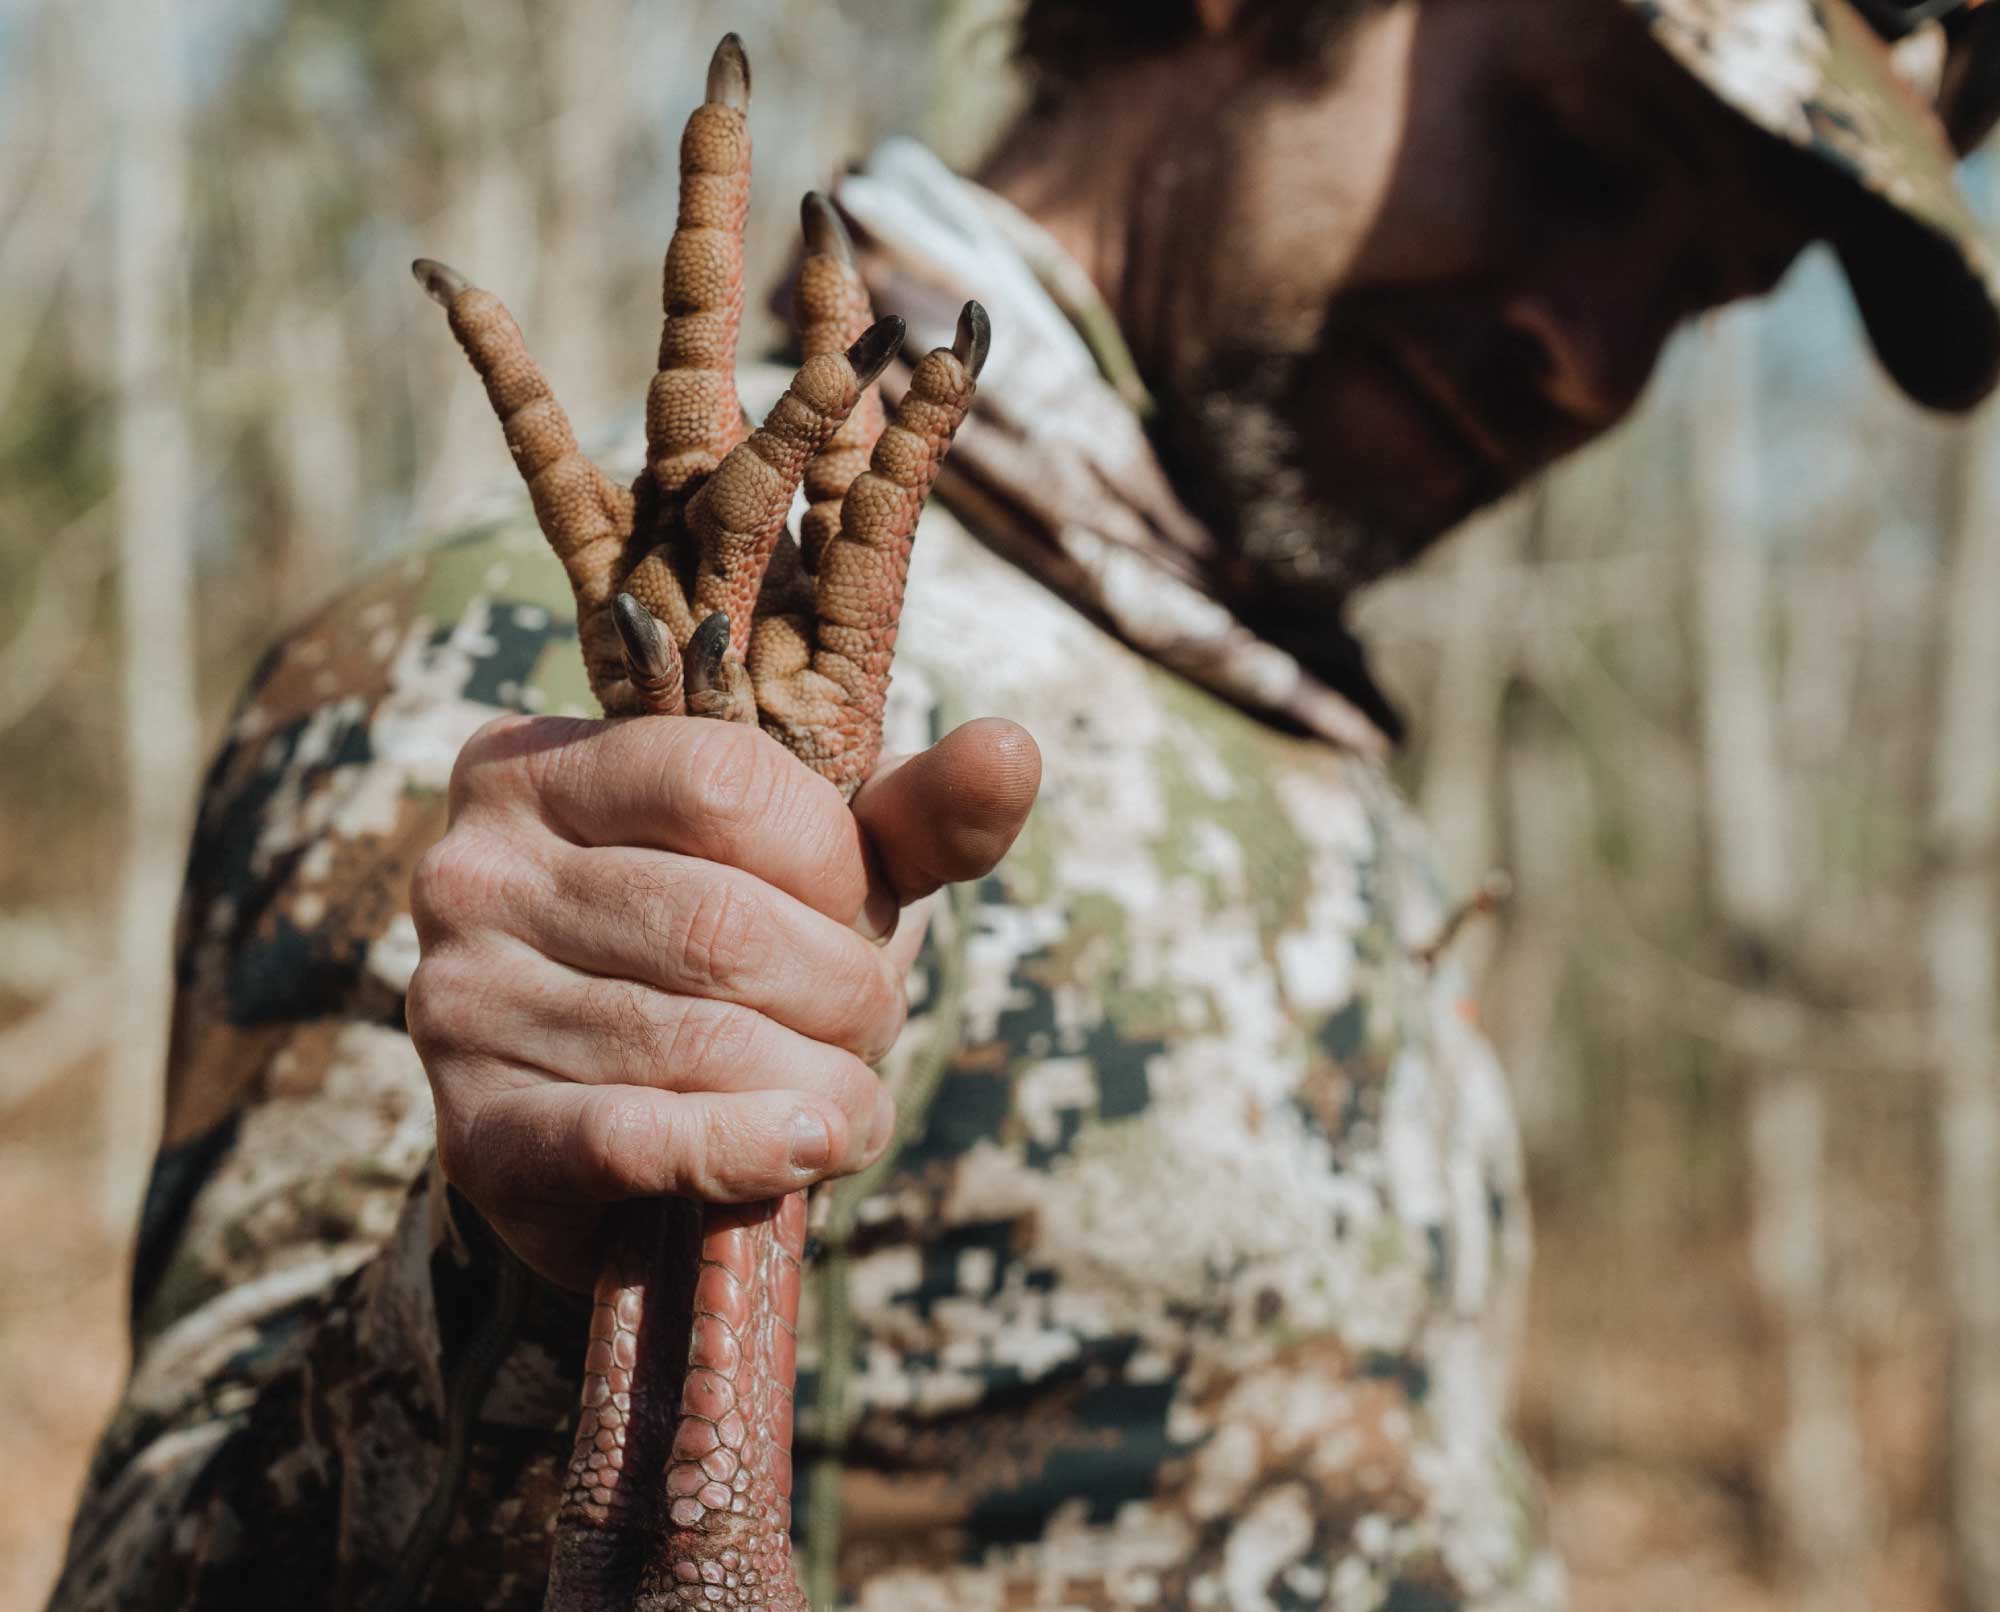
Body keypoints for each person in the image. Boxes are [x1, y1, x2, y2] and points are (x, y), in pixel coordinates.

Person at [46, 0, 2000, 1608]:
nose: (1594, 353)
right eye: (1570, 159)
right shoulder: (600, 649)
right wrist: (511, 1272)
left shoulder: (1273, 723)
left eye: (1703, 295)